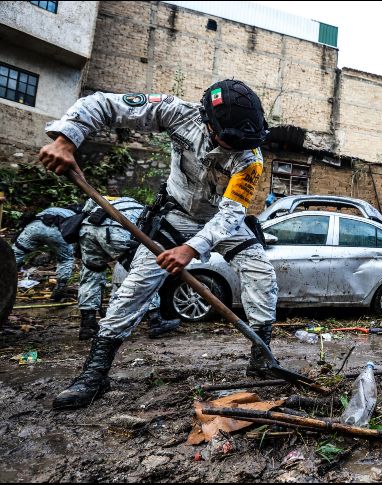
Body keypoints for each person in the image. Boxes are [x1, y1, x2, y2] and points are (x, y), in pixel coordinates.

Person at [39, 79, 278, 409]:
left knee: (262, 274)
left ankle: (262, 358)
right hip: (175, 215)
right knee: (135, 286)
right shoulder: (175, 112)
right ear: (209, 123)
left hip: (224, 221)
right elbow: (104, 104)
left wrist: (191, 249)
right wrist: (66, 141)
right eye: (229, 141)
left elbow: (230, 215)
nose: (238, 149)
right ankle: (94, 375)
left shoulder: (250, 158)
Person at [77, 191, 181, 340]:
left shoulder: (104, 200)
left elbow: (84, 211)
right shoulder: (144, 210)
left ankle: (88, 325)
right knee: (142, 272)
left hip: (87, 229)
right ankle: (155, 320)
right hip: (113, 230)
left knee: (91, 273)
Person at [13, 206, 76, 301]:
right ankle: (60, 288)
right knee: (66, 259)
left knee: (15, 255)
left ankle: (3, 276)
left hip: (34, 227)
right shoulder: (77, 215)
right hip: (55, 232)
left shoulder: (53, 209)